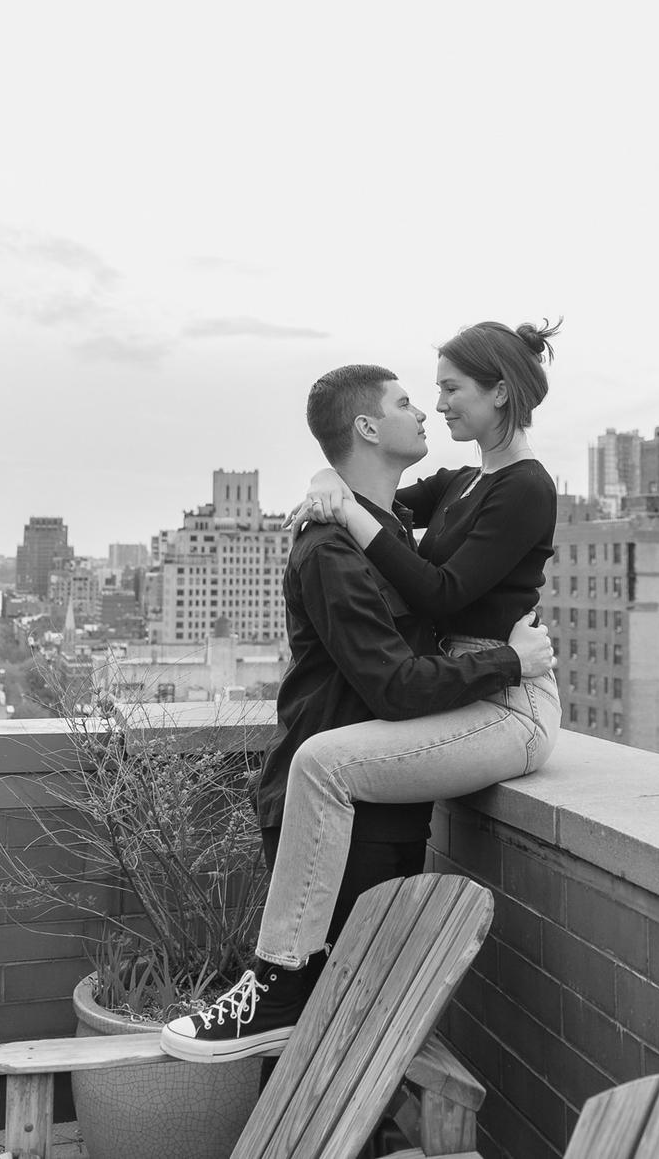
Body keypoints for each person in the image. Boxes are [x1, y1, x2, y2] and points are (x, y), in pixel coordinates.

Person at [163, 322, 564, 1063]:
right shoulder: (463, 482)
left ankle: (276, 986)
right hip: (463, 690)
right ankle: (282, 993)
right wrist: (329, 486)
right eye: (423, 394)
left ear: (499, 392)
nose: (436, 405)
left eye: (449, 388)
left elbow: (440, 591)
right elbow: (379, 497)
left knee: (322, 764)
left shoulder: (526, 485)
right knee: (324, 783)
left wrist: (512, 660)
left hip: (506, 694)